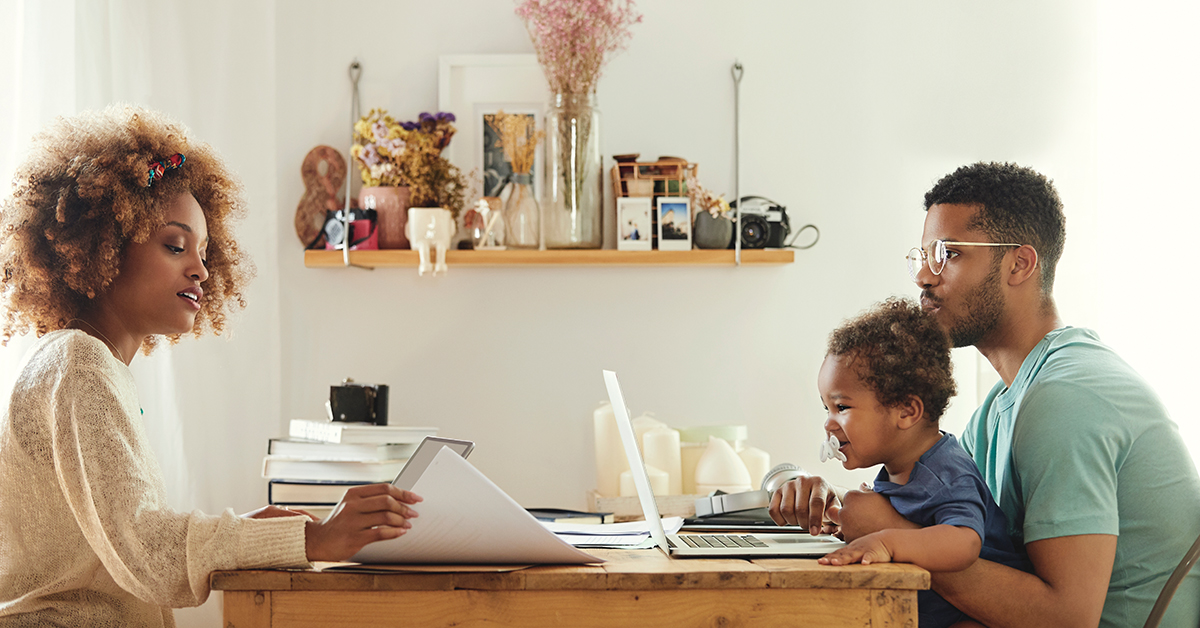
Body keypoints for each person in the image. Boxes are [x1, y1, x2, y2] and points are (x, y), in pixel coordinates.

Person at [0, 105, 422, 627]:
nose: (200, 269)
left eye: (204, 250)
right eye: (175, 245)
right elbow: (147, 553)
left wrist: (254, 529)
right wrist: (312, 536)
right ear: (103, 244)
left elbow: (125, 544)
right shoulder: (77, 364)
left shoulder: (88, 365)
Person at [770, 162, 1200, 628]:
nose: (924, 278)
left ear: (1020, 264)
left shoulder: (1067, 399)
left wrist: (887, 531)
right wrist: (835, 507)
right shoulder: (1000, 407)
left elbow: (1065, 619)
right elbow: (943, 523)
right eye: (925, 256)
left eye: (949, 253)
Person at [785, 297, 1027, 628]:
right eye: (826, 408)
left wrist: (886, 540)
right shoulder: (900, 469)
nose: (829, 423)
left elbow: (964, 542)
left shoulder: (946, 472)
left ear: (906, 411)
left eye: (842, 407)